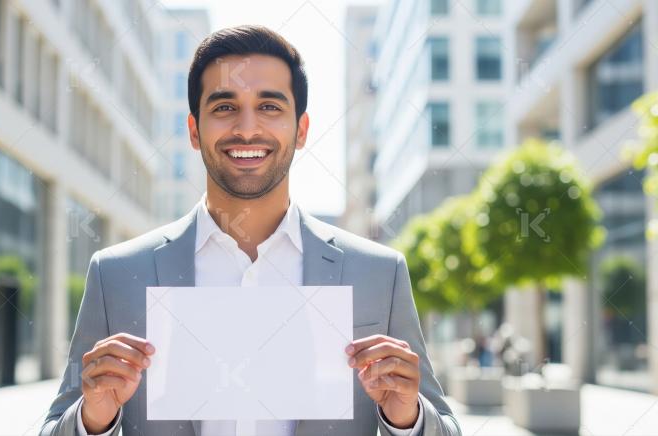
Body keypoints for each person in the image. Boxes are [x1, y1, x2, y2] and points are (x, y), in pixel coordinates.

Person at [41, 25, 459, 436]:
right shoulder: (116, 274)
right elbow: (55, 427)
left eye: (270, 107)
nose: (246, 128)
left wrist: (407, 420)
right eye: (224, 107)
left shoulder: (378, 274)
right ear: (193, 130)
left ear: (301, 130)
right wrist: (93, 421)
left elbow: (446, 428)